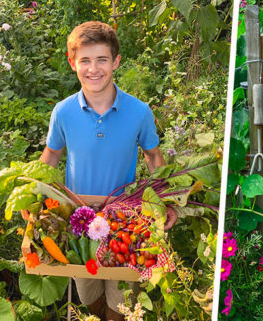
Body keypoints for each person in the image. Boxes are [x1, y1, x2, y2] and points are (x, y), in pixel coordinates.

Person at [36, 21, 177, 320]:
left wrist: (165, 202)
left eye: (102, 59)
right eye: (85, 60)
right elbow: (51, 155)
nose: (93, 69)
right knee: (88, 294)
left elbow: (153, 157)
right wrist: (33, 196)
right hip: (78, 218)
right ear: (72, 62)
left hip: (125, 221)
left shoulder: (139, 111)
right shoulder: (63, 112)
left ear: (115, 62)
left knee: (121, 300)